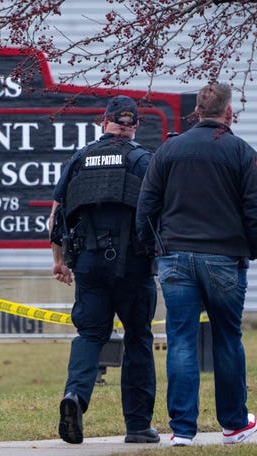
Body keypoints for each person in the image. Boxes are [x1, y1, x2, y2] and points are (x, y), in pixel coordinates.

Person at [136, 82, 257, 446]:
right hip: (224, 258)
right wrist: (250, 250)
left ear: (196, 113)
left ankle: (183, 431)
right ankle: (235, 425)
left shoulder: (168, 150)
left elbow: (147, 207)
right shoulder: (241, 152)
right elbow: (253, 210)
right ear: (228, 113)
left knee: (182, 341)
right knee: (226, 338)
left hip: (174, 258)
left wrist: (154, 248)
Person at [49, 95, 159, 445]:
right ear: (135, 125)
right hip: (133, 264)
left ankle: (75, 397)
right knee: (138, 337)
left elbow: (57, 216)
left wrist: (58, 260)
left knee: (90, 335)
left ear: (104, 121)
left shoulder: (79, 159)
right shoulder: (143, 161)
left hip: (89, 264)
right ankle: (139, 427)